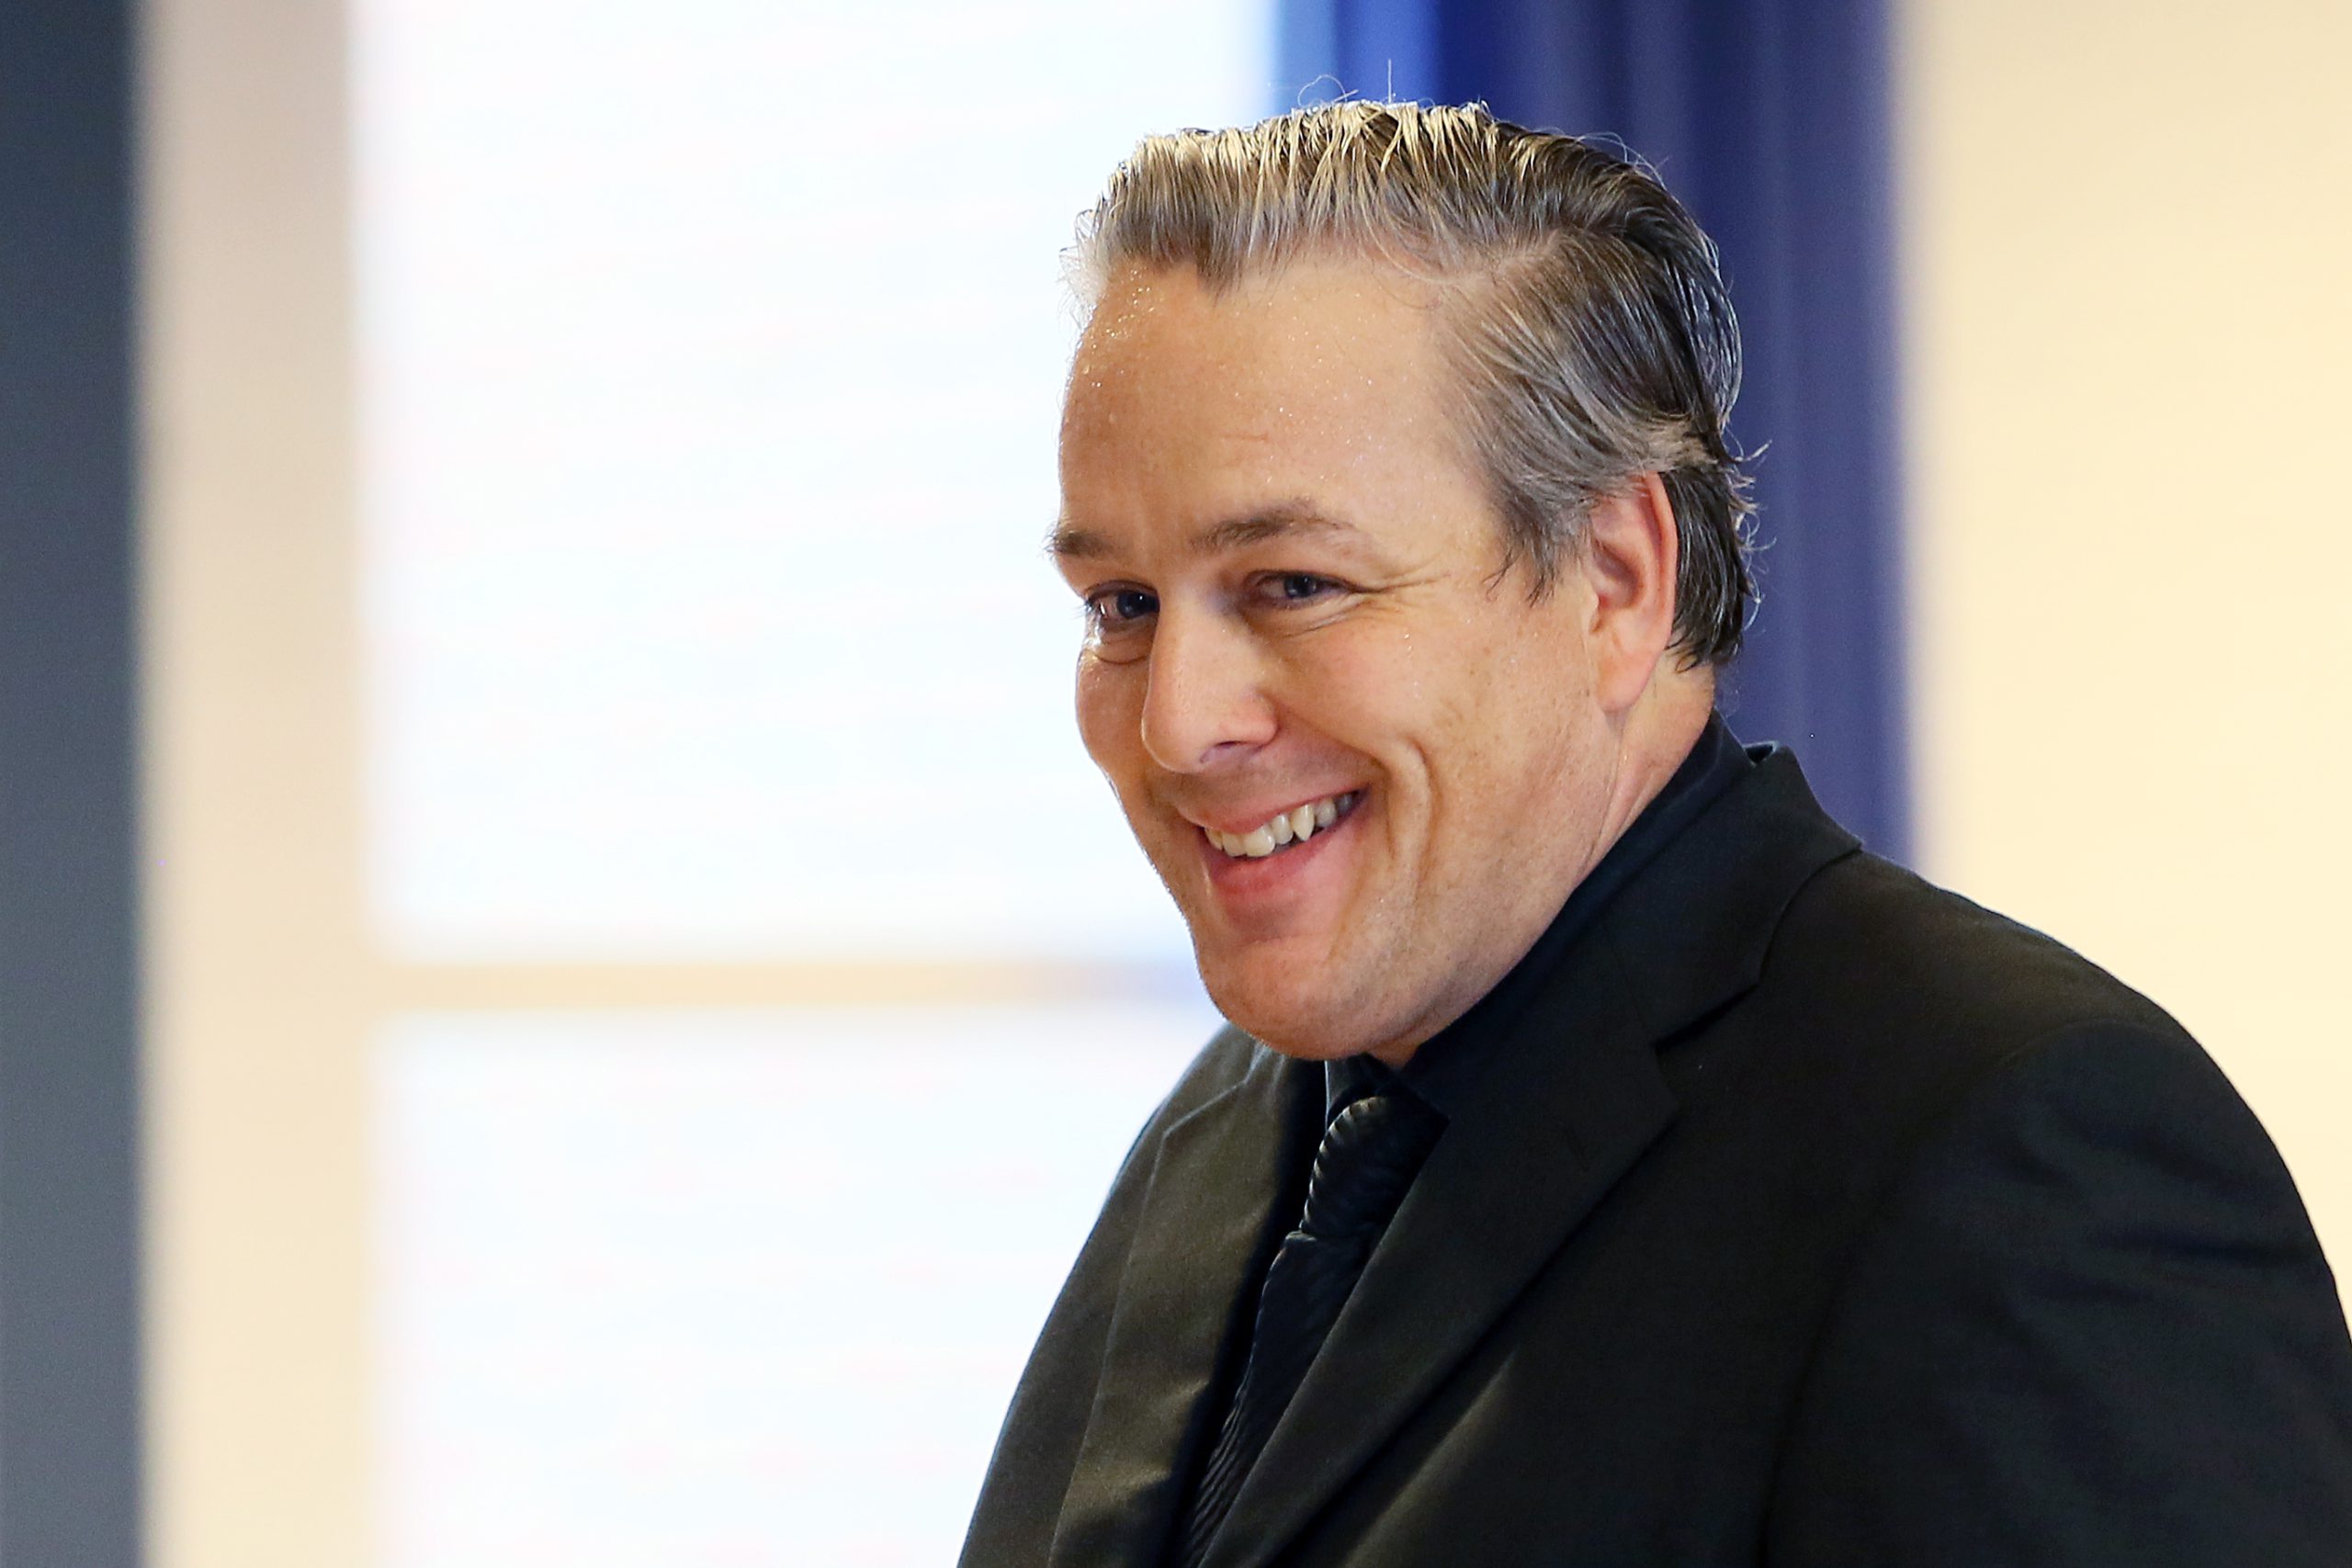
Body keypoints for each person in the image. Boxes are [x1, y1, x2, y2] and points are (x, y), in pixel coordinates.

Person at [958, 101, 2352, 1568]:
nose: (1178, 724)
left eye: (1295, 584)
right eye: (1123, 605)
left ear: (1616, 581)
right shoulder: (1228, 1125)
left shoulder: (2008, 1154)